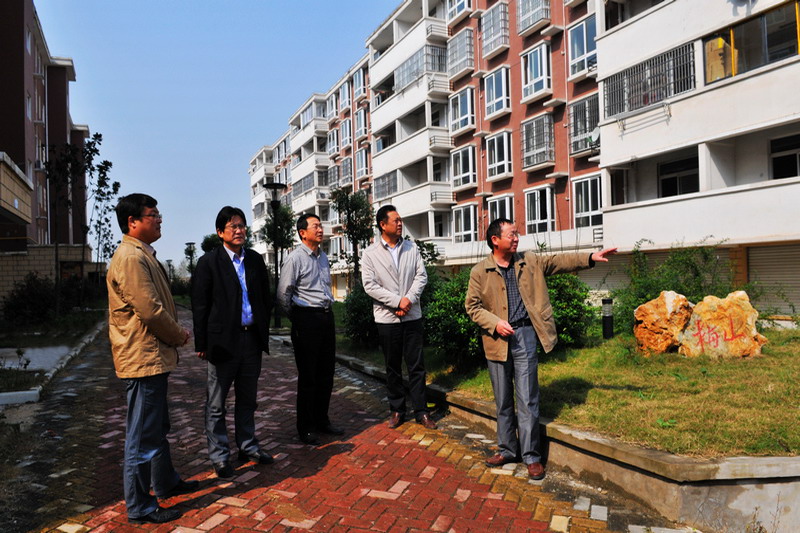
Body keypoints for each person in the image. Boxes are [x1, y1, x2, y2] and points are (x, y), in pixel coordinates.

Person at [465, 218, 617, 480]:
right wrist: (495, 323)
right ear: (495, 240)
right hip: (497, 340)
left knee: (528, 397)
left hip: (525, 335)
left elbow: (559, 261)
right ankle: (507, 449)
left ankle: (531, 456)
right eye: (511, 234)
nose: (516, 238)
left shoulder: (530, 261)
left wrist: (590, 257)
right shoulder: (480, 271)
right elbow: (472, 307)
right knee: (502, 400)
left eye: (517, 234)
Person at [107, 193, 196, 524]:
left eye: (159, 214)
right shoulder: (132, 257)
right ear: (133, 222)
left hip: (150, 356)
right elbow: (150, 310)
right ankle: (140, 506)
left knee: (156, 427)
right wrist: (178, 335)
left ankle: (166, 481)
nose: (159, 220)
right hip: (143, 357)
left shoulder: (141, 253)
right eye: (153, 215)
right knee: (143, 435)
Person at [191, 206, 274, 479]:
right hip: (223, 343)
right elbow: (200, 305)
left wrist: (263, 325)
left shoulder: (255, 260)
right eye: (233, 226)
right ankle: (219, 456)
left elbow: (265, 297)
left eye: (241, 225)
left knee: (248, 399)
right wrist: (202, 342)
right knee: (216, 403)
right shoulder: (208, 262)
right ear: (220, 232)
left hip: (251, 339)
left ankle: (248, 446)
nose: (239, 231)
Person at [361, 205, 435, 430]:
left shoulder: (411, 247)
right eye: (396, 220)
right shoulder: (370, 253)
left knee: (416, 365)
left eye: (401, 220)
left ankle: (421, 411)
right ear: (383, 225)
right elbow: (370, 286)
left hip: (412, 315)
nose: (400, 223)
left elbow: (421, 276)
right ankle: (397, 410)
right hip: (387, 318)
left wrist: (408, 300)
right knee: (392, 366)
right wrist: (396, 302)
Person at [277, 213, 343, 445]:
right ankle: (305, 427)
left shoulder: (323, 257)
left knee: (326, 373)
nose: (320, 229)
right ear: (302, 233)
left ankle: (322, 420)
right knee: (308, 376)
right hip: (306, 319)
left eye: (320, 225)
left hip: (326, 317)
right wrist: (298, 317)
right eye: (315, 226)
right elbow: (283, 294)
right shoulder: (294, 259)